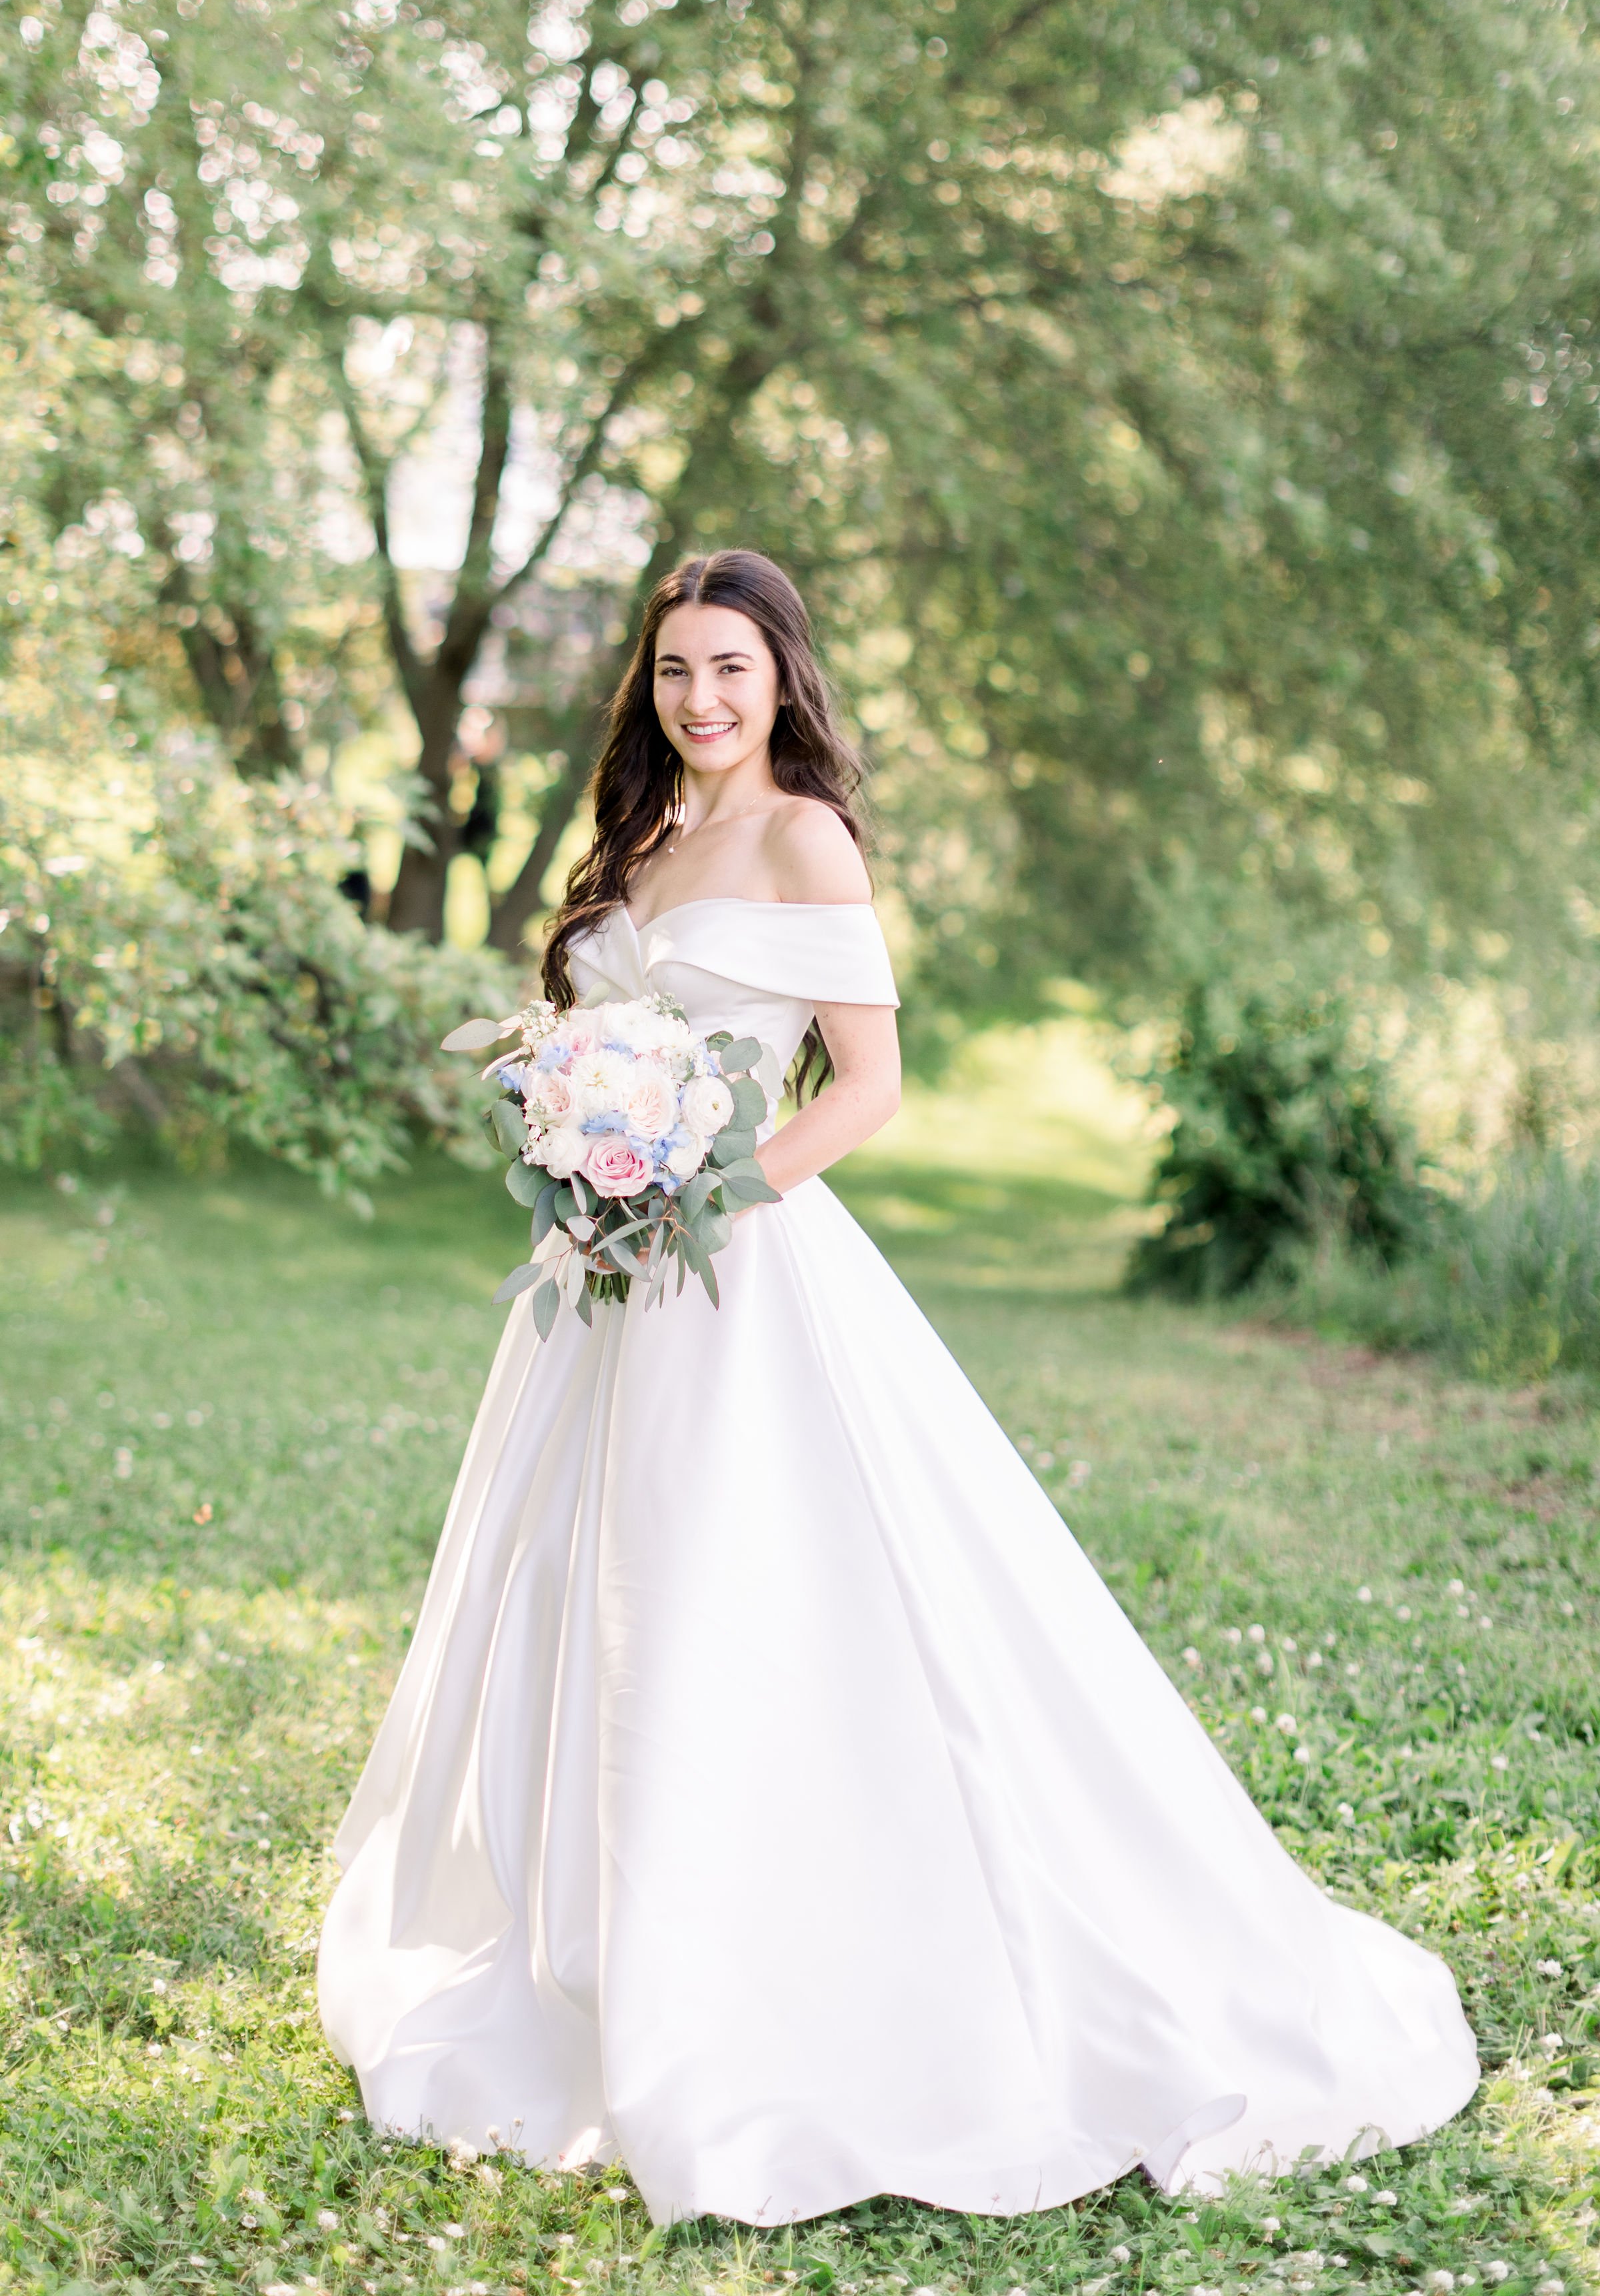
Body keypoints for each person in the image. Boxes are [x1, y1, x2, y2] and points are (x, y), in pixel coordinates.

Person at [317, 549, 1478, 2227]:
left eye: (730, 669)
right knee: (583, 1588)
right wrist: (580, 1144)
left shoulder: (805, 837)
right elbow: (583, 1037)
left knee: (743, 1596)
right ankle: (577, 1950)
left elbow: (868, 1088)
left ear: (783, 676)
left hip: (736, 1266)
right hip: (598, 1287)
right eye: (672, 674)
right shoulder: (638, 840)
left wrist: (694, 1201)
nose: (700, 700)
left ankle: (775, 1975)